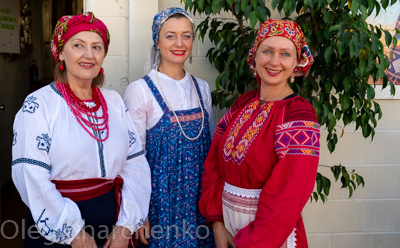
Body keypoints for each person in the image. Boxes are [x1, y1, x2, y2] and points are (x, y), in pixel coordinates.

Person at [12, 12, 151, 248]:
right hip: (56, 226)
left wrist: (125, 227)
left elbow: (135, 163)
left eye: (97, 47)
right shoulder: (39, 105)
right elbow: (30, 175)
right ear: (61, 53)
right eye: (78, 45)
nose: (89, 55)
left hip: (112, 223)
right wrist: (75, 235)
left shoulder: (114, 102)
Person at [199, 19, 320, 248]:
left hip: (268, 238)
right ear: (255, 56)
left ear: (297, 62)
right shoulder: (241, 105)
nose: (275, 61)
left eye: (285, 54)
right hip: (225, 231)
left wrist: (250, 242)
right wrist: (216, 223)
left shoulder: (298, 114)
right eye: (267, 51)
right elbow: (213, 164)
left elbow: (287, 196)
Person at [123, 7, 215, 248]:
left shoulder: (202, 88)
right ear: (157, 40)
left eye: (186, 35)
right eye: (170, 35)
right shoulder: (140, 90)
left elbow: (211, 152)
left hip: (199, 203)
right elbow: (132, 159)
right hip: (161, 205)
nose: (179, 43)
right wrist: (140, 214)